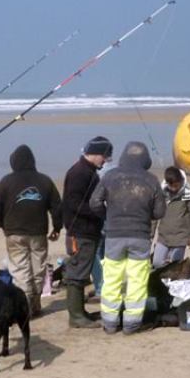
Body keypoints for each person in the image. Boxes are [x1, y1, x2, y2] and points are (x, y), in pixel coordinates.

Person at [89, 141, 166, 335]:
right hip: (140, 236)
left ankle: (110, 323)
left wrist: (109, 216)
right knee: (137, 280)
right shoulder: (151, 179)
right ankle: (132, 324)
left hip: (114, 236)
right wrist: (143, 214)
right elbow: (159, 211)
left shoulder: (110, 176)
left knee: (112, 278)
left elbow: (94, 202)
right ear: (145, 160)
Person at [0, 144, 62, 317]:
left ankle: (26, 307)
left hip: (15, 233)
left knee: (21, 271)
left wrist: (2, 225)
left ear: (13, 162)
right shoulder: (45, 180)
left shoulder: (6, 181)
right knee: (38, 269)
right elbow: (57, 207)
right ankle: (34, 305)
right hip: (38, 233)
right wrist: (57, 227)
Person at [61, 135, 113, 328]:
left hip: (88, 230)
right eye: (105, 156)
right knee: (77, 272)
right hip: (80, 231)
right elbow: (73, 203)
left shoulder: (88, 171)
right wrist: (99, 212)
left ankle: (80, 311)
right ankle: (75, 316)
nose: (106, 160)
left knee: (83, 272)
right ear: (95, 154)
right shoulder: (80, 172)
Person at [152, 166, 190, 267]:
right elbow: (155, 215)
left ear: (181, 181)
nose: (174, 188)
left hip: (180, 237)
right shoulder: (162, 192)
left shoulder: (187, 192)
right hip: (163, 237)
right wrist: (150, 234)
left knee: (175, 265)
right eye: (171, 186)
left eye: (176, 185)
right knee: (157, 262)